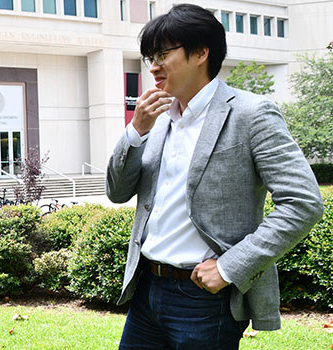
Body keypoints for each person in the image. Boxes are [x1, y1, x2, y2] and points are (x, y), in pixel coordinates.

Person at [106, 4, 325, 349]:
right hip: (147, 289)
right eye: (150, 56)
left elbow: (303, 202)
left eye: (163, 53)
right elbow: (117, 192)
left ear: (201, 52)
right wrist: (135, 131)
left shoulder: (252, 114)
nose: (153, 66)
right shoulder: (159, 118)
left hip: (204, 300)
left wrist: (229, 267)